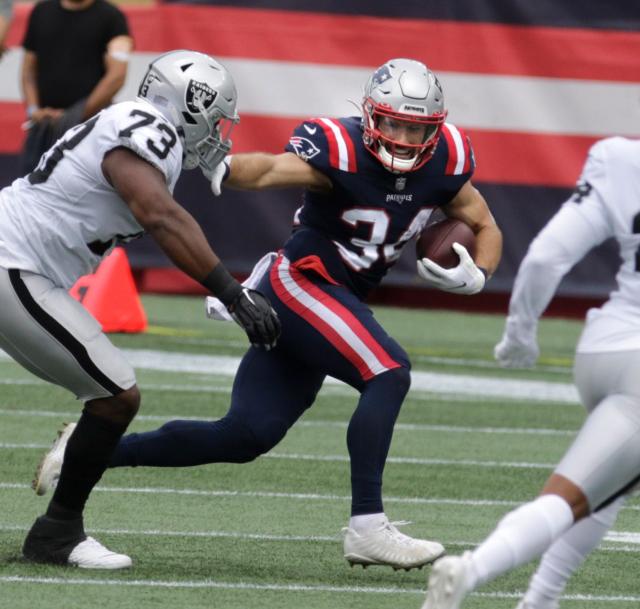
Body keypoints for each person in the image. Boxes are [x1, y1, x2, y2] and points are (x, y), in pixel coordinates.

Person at [34, 58, 502, 570]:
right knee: (388, 371)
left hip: (333, 300)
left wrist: (478, 272)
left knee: (245, 435)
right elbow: (275, 168)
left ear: (435, 128)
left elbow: (483, 222)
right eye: (394, 123)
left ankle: (83, 451)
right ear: (371, 115)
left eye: (417, 127)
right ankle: (368, 526)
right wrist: (228, 169)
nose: (405, 138)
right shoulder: (340, 148)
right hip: (302, 282)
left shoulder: (447, 159)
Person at [1, 49, 280, 569]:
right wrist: (233, 292)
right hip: (13, 262)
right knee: (114, 395)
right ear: (189, 104)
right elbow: (160, 216)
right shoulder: (150, 127)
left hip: (19, 261)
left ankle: (57, 533)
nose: (218, 132)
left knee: (112, 393)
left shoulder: (136, 124)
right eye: (215, 116)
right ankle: (57, 534)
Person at [421, 136, 640, 609]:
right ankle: (472, 569)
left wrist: (519, 335)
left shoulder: (623, 160)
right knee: (572, 497)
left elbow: (545, 257)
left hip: (603, 350)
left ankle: (540, 600)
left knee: (612, 481)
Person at [20, 0, 133, 174]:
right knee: (31, 191)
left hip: (90, 131)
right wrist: (34, 110)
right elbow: (28, 71)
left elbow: (117, 76)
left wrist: (73, 116)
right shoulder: (41, 11)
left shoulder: (112, 16)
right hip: (43, 129)